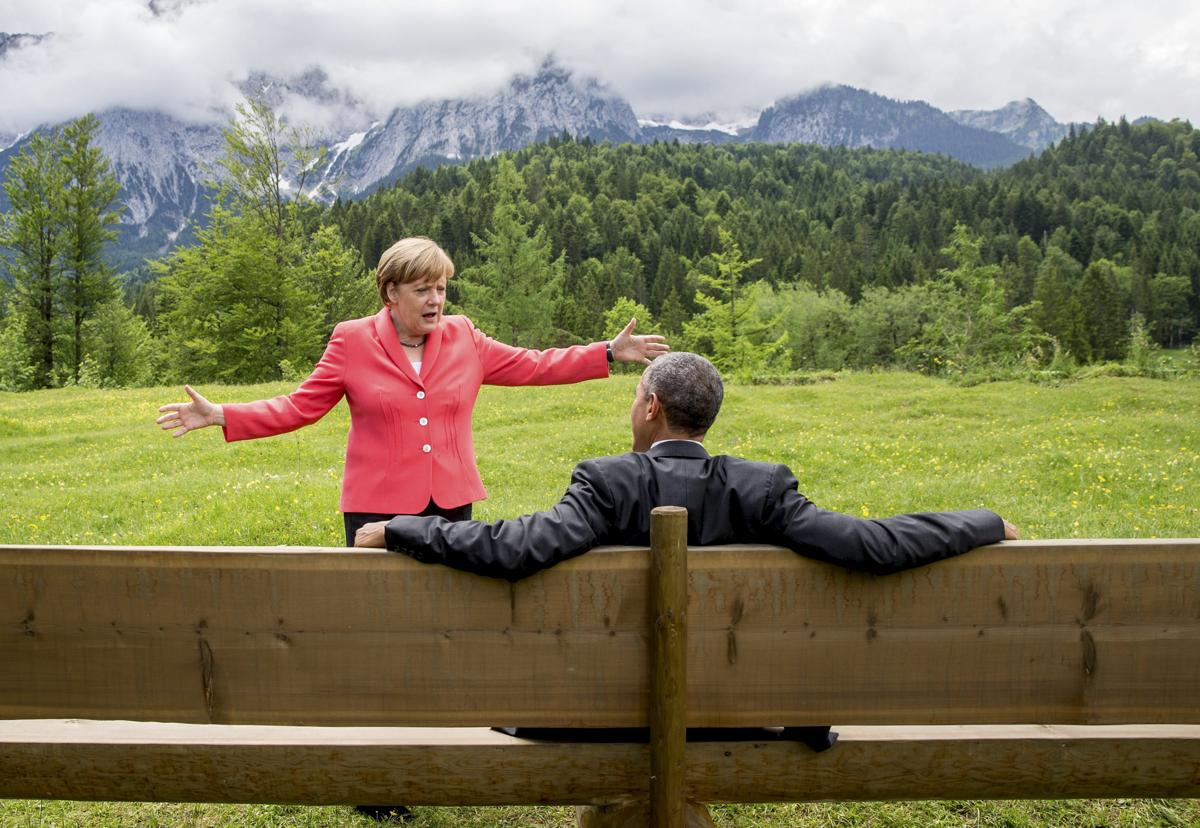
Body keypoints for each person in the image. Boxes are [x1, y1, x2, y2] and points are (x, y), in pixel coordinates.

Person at [155, 236, 670, 548]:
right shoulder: (351, 340)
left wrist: (605, 352)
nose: (436, 300)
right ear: (391, 293)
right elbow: (299, 406)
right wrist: (222, 414)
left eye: (441, 288)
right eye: (423, 289)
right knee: (377, 615)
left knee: (447, 613)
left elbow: (532, 365)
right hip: (375, 506)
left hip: (450, 503)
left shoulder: (465, 335)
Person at [354, 351, 1019, 577]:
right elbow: (872, 544)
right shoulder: (762, 489)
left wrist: (405, 527)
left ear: (649, 406)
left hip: (601, 716)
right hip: (740, 711)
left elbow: (515, 548)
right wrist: (983, 521)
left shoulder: (605, 483)